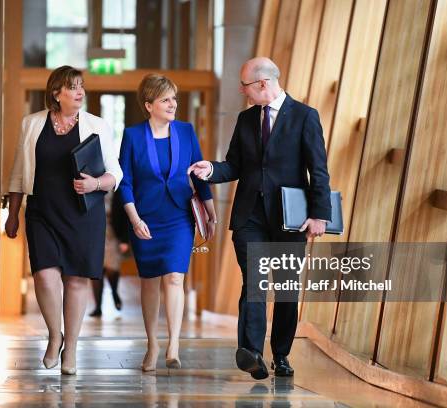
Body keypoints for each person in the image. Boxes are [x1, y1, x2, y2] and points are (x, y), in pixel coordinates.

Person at [188, 57, 332, 380]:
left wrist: (320, 214)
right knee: (254, 279)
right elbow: (234, 165)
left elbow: (318, 170)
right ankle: (251, 352)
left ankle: (281, 354)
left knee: (285, 288)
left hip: (289, 219)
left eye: (245, 86)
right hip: (250, 216)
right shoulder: (245, 119)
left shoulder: (305, 117)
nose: (243, 92)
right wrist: (211, 170)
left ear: (263, 84)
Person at [5, 65, 123, 375]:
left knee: (76, 280)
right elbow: (18, 172)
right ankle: (54, 334)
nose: (80, 92)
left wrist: (95, 184)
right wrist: (12, 214)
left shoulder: (98, 125)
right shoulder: (32, 124)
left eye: (82, 86)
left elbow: (115, 173)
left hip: (84, 213)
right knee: (44, 276)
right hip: (42, 211)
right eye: (73, 87)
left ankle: (70, 346)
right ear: (56, 93)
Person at [119, 74, 216, 371]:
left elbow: (199, 173)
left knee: (175, 277)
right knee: (149, 281)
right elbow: (126, 182)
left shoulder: (186, 132)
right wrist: (134, 220)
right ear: (149, 105)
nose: (173, 104)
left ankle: (174, 343)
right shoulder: (133, 136)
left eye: (174, 98)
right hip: (145, 218)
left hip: (178, 216)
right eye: (165, 100)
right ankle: (153, 343)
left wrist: (211, 213)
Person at [89, 191, 128, 317]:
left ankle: (114, 293)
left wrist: (124, 240)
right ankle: (98, 307)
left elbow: (125, 214)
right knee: (96, 271)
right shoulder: (93, 188)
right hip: (95, 233)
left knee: (112, 268)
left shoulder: (119, 191)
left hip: (113, 234)